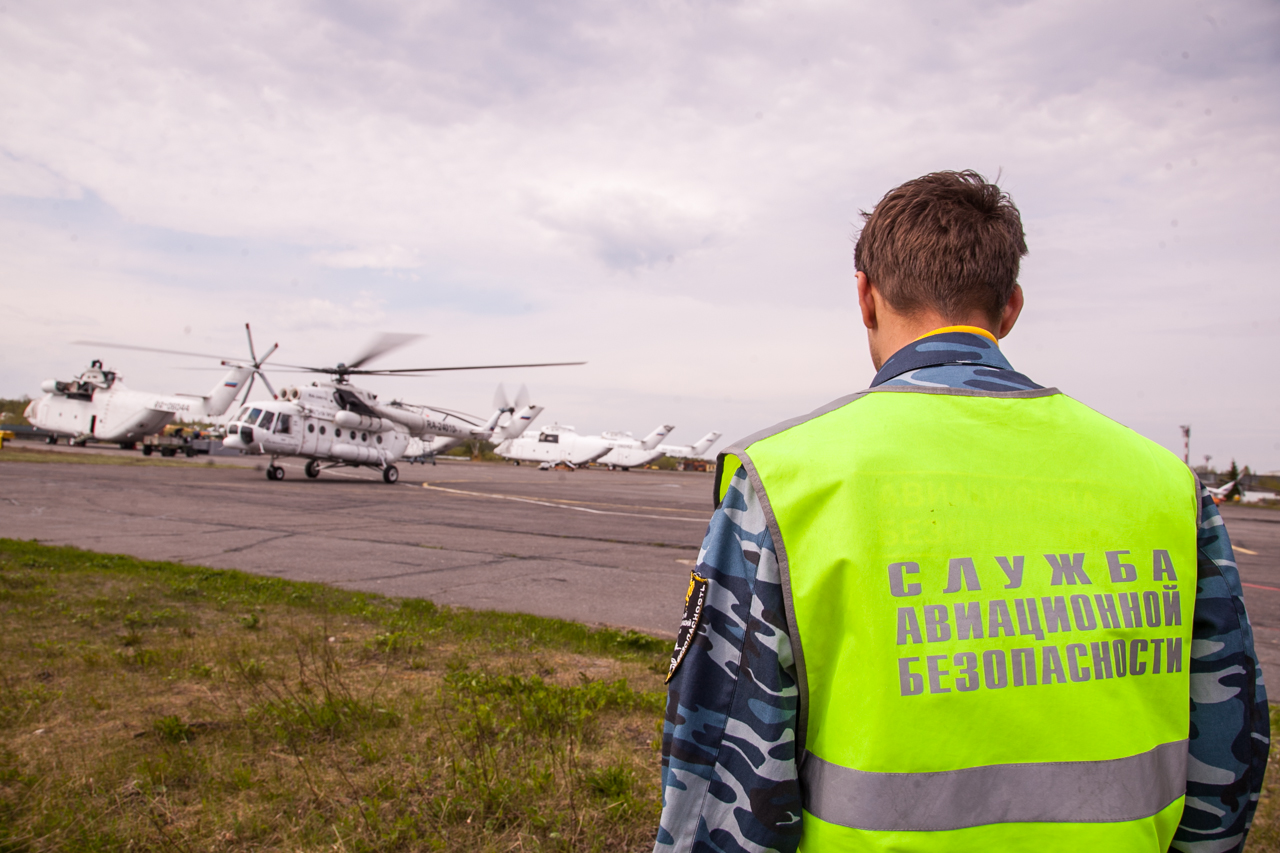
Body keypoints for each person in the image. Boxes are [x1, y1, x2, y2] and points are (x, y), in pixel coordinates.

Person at [655, 171, 1268, 853]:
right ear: (1010, 308)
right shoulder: (1168, 486)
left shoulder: (783, 481)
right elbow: (1229, 754)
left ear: (865, 296)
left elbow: (720, 778)